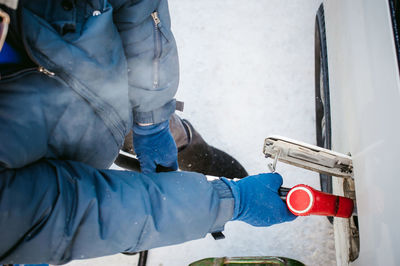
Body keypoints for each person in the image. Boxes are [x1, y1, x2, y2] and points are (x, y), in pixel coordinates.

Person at [0, 0, 296, 264]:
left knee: (161, 154)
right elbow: (74, 215)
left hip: (111, 92)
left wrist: (152, 116)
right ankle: (147, 212)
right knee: (99, 221)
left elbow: (138, 7)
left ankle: (177, 155)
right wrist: (225, 202)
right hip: (34, 200)